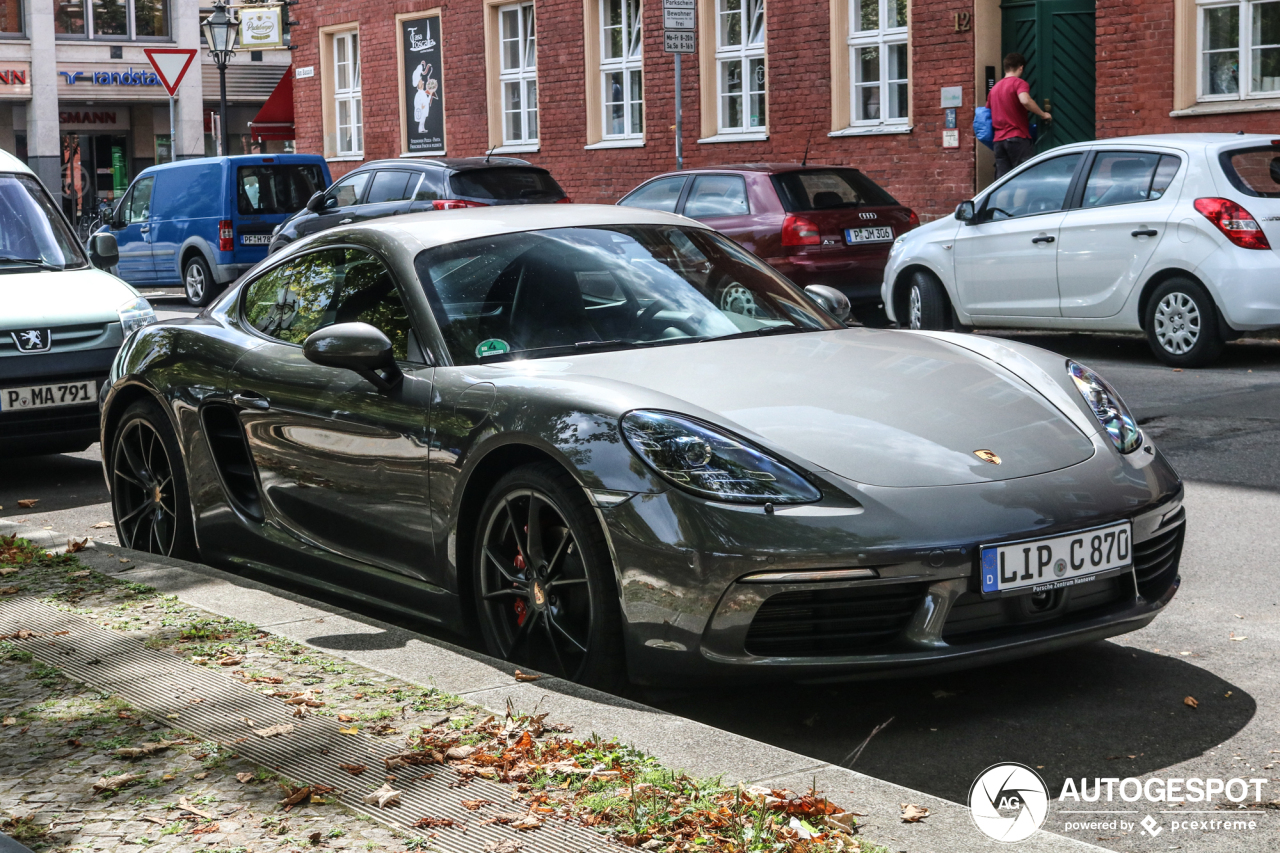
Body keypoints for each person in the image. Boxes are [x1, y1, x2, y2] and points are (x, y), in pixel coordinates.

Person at [987, 52, 1052, 179]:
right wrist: (1043, 114)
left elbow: (988, 110)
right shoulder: (1019, 83)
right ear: (1021, 67)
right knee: (1025, 179)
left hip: (998, 141)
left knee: (1002, 182)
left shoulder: (994, 89)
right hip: (1017, 137)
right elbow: (1025, 100)